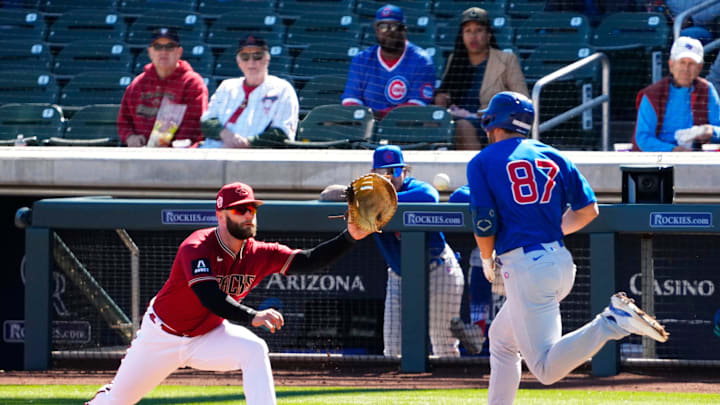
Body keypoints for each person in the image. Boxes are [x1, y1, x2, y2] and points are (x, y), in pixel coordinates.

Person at [86, 182, 372, 405]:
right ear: (220, 215)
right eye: (240, 209)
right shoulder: (197, 246)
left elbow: (309, 260)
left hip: (208, 336)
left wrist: (349, 237)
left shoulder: (259, 252)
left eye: (252, 209)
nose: (248, 214)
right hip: (161, 336)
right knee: (118, 400)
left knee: (254, 350)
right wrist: (253, 315)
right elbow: (209, 296)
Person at [467, 91, 669, 404]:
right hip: (559, 262)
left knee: (545, 369)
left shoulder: (482, 160)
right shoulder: (554, 154)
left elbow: (483, 221)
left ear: (495, 123)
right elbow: (590, 211)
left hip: (527, 270)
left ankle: (611, 322)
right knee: (502, 341)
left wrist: (484, 257)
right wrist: (548, 230)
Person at [320, 145, 476, 357]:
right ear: (373, 174)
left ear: (404, 171)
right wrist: (357, 194)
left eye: (394, 171)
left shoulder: (415, 188)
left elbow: (430, 197)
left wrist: (376, 203)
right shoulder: (365, 193)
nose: (389, 177)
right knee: (393, 350)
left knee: (444, 346)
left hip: (438, 270)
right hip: (399, 275)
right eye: (382, 172)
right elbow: (327, 194)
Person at [434, 7, 528, 150]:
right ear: (462, 35)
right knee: (434, 121)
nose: (473, 36)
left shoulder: (507, 60)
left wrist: (478, 114)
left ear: (489, 34)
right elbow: (446, 91)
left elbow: (523, 100)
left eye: (478, 30)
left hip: (494, 122)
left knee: (463, 126)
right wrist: (442, 98)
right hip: (456, 117)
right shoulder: (455, 59)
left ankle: (480, 169)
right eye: (468, 31)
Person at [200, 35, 299, 148]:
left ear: (267, 59)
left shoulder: (282, 89)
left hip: (256, 157)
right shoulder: (226, 87)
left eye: (257, 56)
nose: (251, 62)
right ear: (238, 62)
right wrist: (226, 135)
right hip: (212, 152)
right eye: (245, 57)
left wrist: (247, 143)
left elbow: (281, 132)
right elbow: (206, 121)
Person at [341, 4, 436, 119]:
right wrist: (365, 118)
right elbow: (351, 99)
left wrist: (379, 116)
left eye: (395, 26)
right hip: (363, 125)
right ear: (376, 30)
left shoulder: (421, 61)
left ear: (404, 30)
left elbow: (417, 106)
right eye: (383, 26)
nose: (389, 32)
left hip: (404, 126)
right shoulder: (361, 59)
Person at [118, 27, 208, 147]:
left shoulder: (192, 83)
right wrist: (130, 137)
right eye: (157, 47)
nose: (163, 51)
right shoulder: (138, 84)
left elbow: (195, 124)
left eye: (170, 47)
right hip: (140, 154)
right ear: (150, 52)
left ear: (179, 52)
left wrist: (171, 148)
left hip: (179, 154)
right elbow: (124, 120)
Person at [633, 36, 720, 151]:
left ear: (700, 68)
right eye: (682, 62)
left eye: (692, 64)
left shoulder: (707, 89)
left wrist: (711, 131)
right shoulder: (652, 94)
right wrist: (673, 150)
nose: (686, 68)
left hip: (697, 157)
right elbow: (643, 138)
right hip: (660, 160)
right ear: (671, 65)